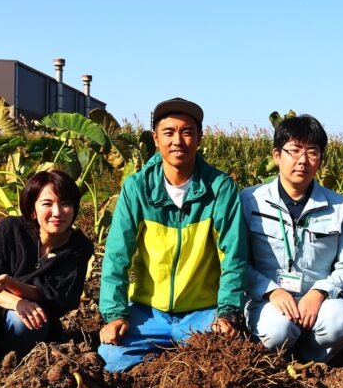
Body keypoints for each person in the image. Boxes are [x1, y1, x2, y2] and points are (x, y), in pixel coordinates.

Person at [97, 97, 247, 372]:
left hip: (203, 312)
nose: (178, 140)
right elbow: (117, 256)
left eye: (187, 131)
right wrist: (115, 314)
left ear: (199, 138)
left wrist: (227, 313)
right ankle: (165, 367)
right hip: (148, 311)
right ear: (155, 138)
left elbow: (233, 257)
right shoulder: (137, 188)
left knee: (225, 361)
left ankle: (173, 362)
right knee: (112, 357)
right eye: (169, 132)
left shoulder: (220, 188)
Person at [240, 114, 343, 362]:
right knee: (277, 331)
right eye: (294, 151)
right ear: (277, 156)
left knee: (340, 322)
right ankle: (277, 362)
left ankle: (311, 363)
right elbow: (237, 261)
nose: (302, 161)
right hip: (267, 300)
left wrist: (320, 292)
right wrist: (271, 291)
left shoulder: (338, 206)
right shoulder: (249, 201)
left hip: (319, 300)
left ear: (320, 159)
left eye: (312, 152)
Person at [0, 170, 94, 362]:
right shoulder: (12, 230)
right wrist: (16, 301)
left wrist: (11, 283)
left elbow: (56, 296)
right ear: (33, 210)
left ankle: (7, 363)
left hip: (26, 316)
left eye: (65, 203)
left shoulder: (78, 247)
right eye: (47, 204)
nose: (57, 212)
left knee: (26, 321)